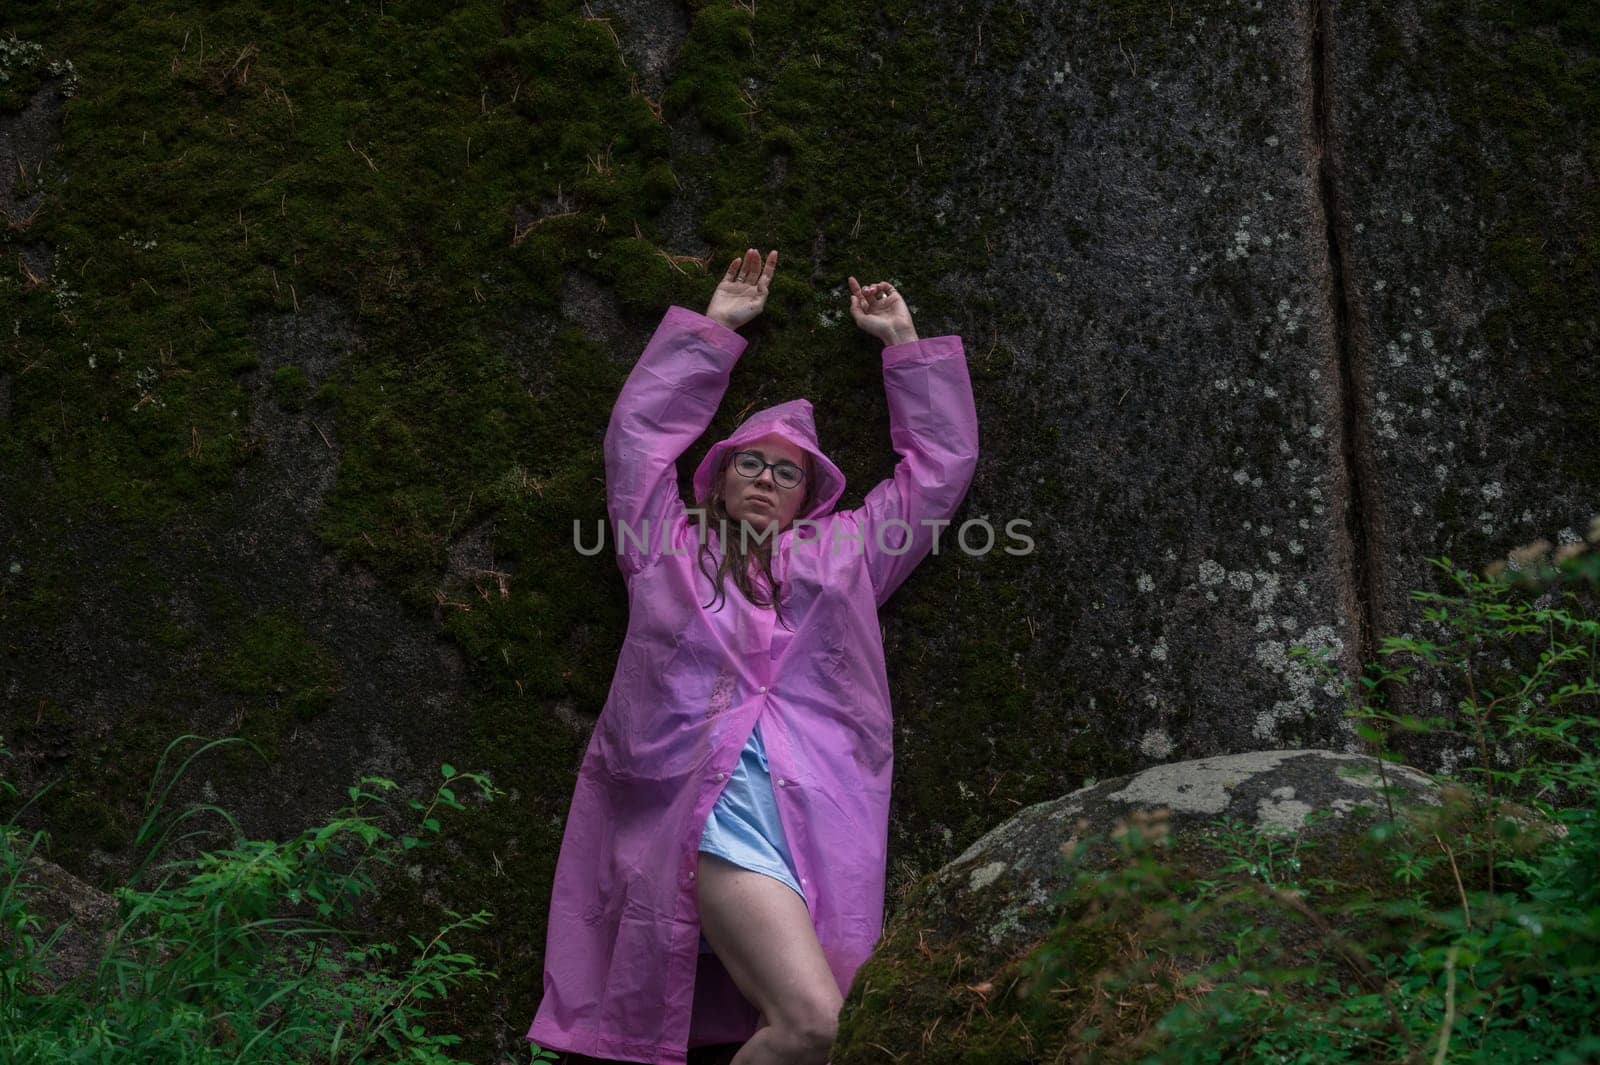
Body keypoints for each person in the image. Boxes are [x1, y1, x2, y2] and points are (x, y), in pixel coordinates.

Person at [527, 248, 979, 1065]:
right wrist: (714, 327)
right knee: (817, 1025)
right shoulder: (663, 542)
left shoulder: (848, 553)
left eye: (786, 471)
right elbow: (636, 441)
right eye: (751, 462)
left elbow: (937, 476)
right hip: (703, 807)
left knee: (826, 1028)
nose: (767, 478)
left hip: (814, 815)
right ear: (720, 475)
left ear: (810, 494)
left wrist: (904, 344)